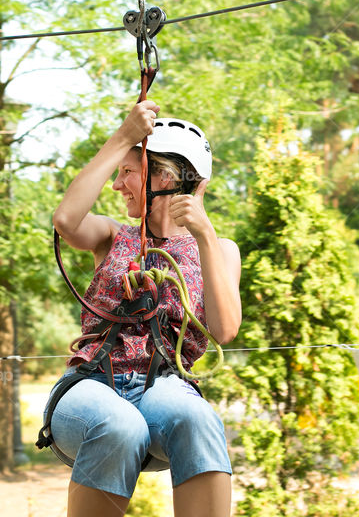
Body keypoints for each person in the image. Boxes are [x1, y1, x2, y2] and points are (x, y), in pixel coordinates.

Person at [47, 100, 242, 517]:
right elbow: (65, 220)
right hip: (92, 382)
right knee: (119, 425)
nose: (117, 185)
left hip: (163, 387)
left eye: (128, 172)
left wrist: (204, 234)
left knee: (199, 420)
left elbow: (225, 330)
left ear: (165, 179)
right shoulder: (112, 236)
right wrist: (123, 139)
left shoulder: (221, 251)